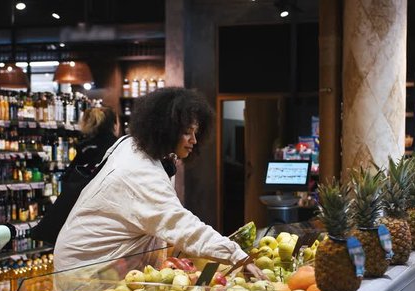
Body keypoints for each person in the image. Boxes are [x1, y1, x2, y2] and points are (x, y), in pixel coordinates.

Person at [53, 87, 264, 280]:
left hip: (103, 268)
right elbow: (179, 223)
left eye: (195, 132)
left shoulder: (137, 149)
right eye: (186, 132)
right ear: (166, 130)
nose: (194, 140)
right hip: (86, 275)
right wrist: (237, 256)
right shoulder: (138, 171)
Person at [61, 106, 120, 188]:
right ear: (115, 125)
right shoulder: (120, 147)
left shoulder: (85, 147)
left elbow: (68, 177)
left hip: (86, 196)